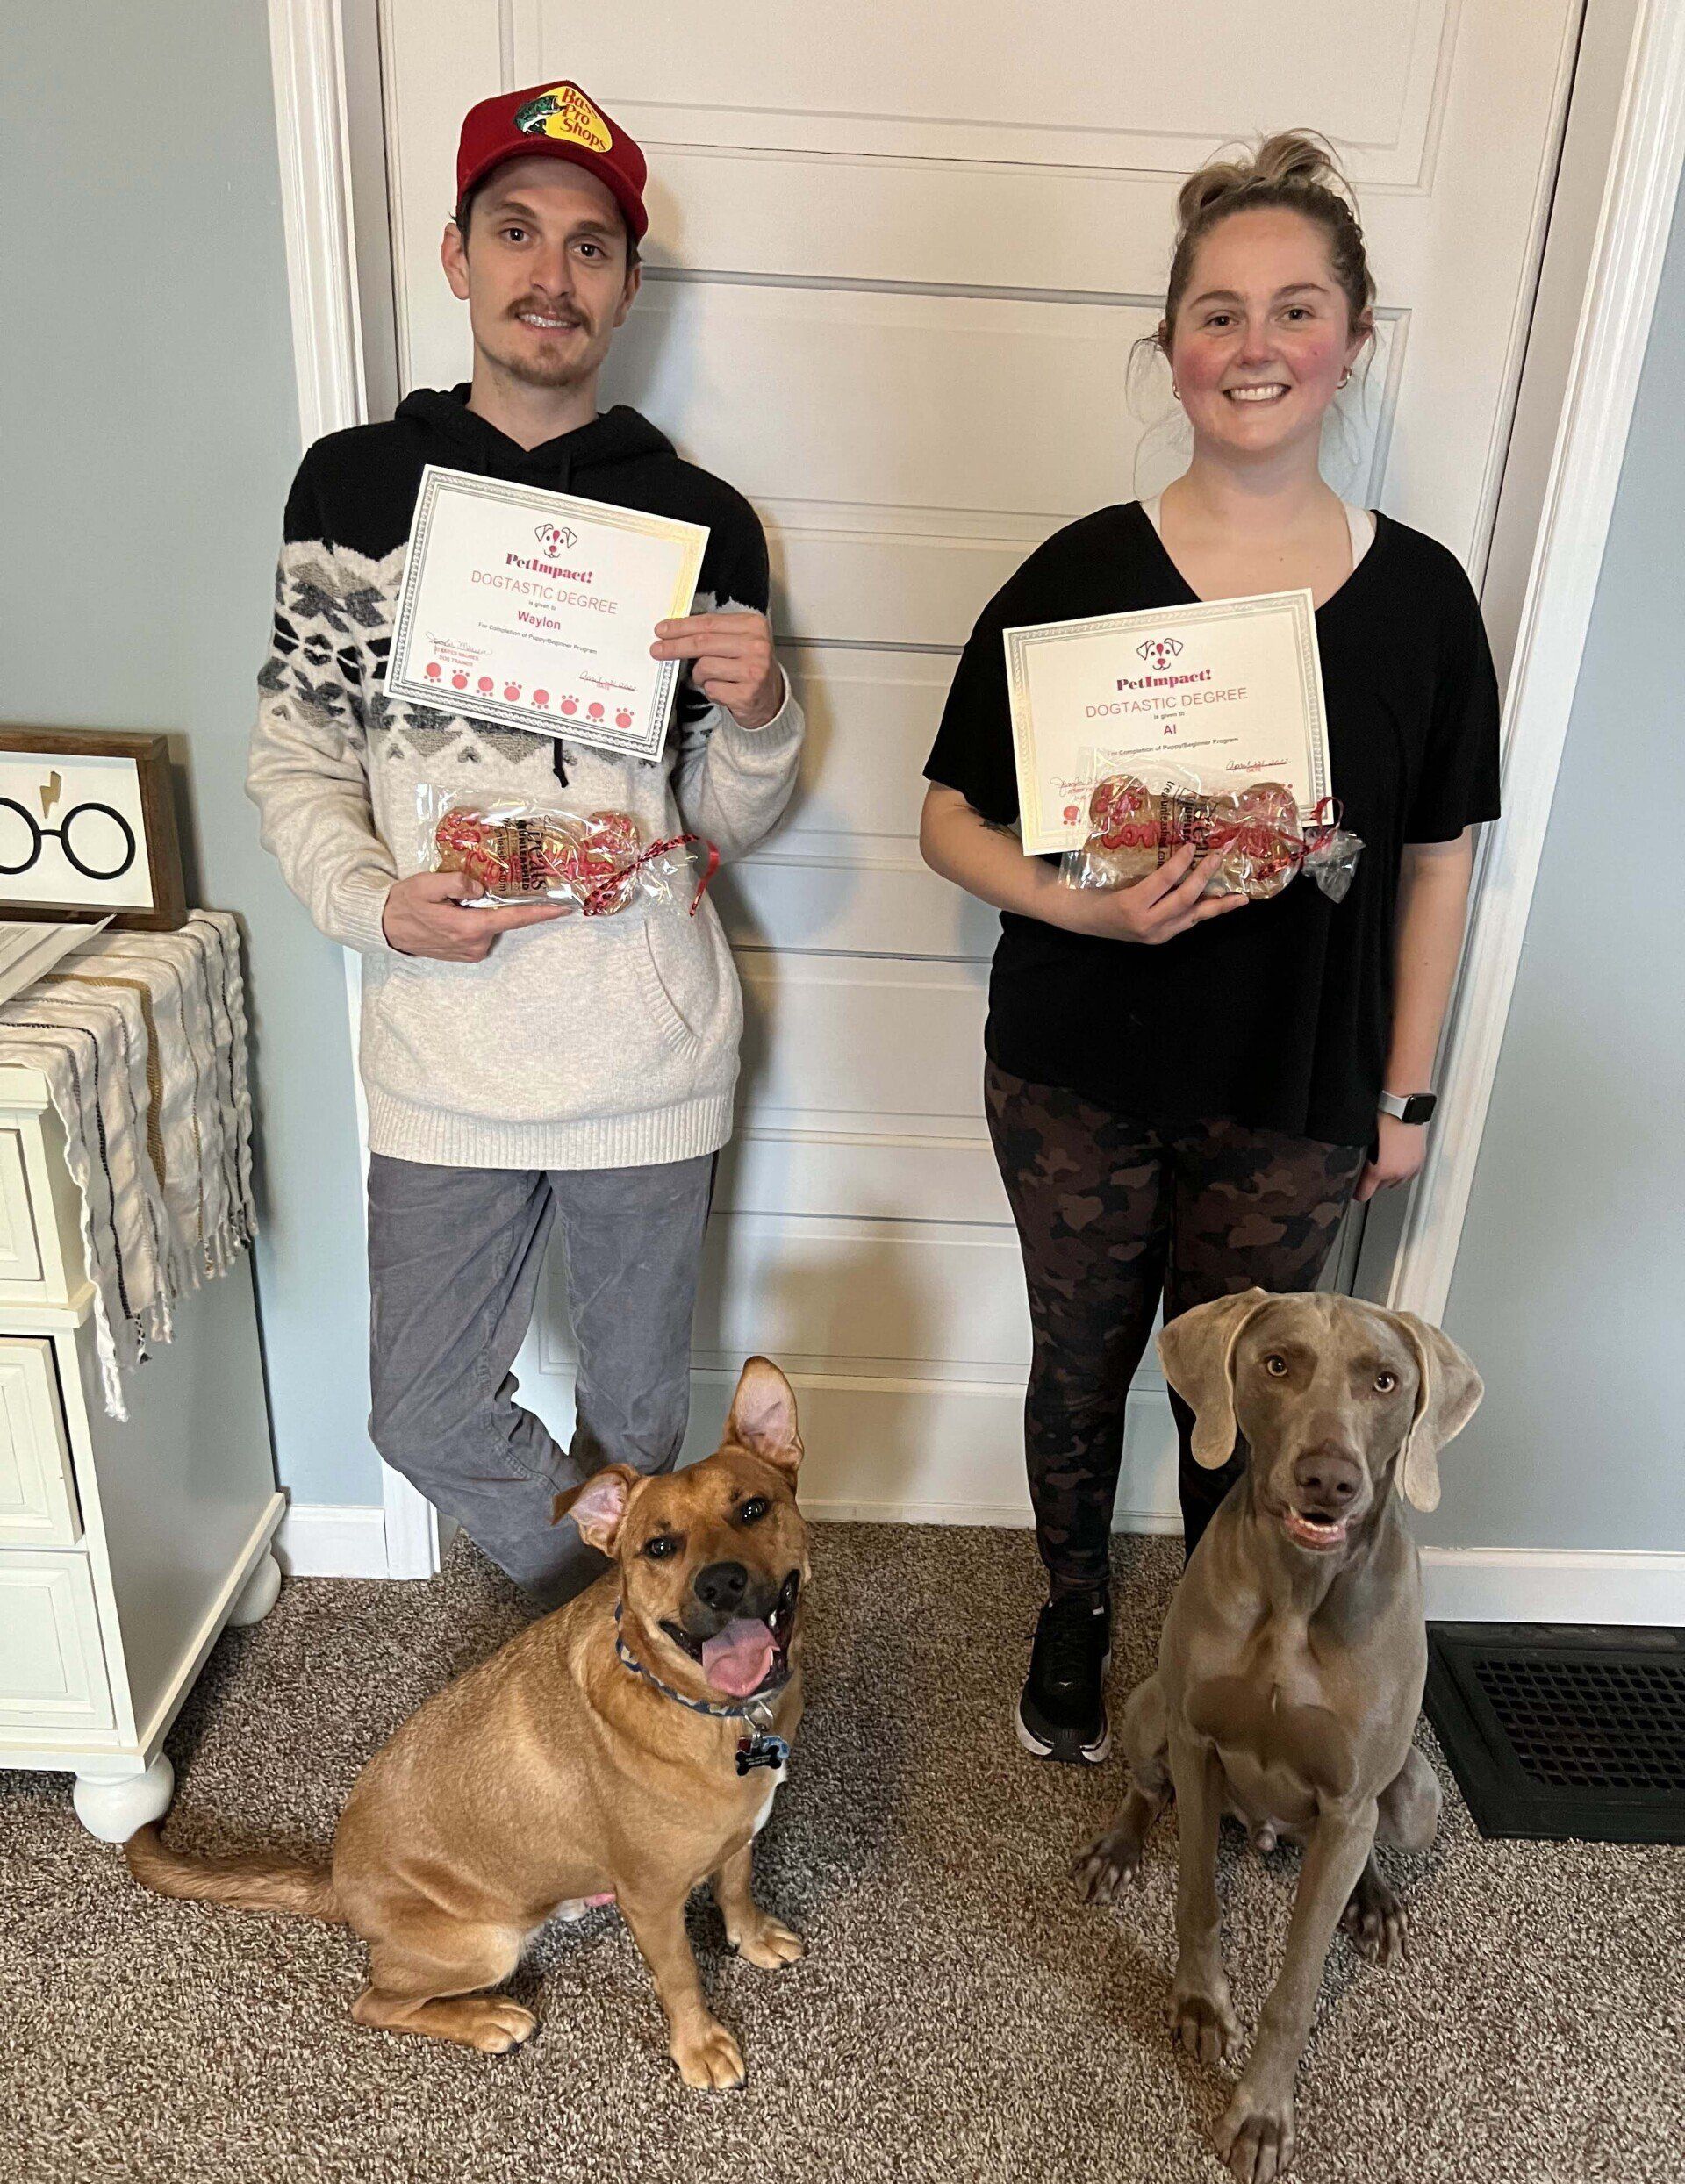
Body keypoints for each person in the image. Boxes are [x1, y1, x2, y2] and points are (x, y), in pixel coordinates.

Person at [919, 133, 1500, 1765]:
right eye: (1219, 312)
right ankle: (1074, 1609)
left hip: (1298, 1084)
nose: (1256, 347)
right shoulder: (1079, 575)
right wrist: (1081, 902)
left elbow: (1439, 865)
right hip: (1075, 1070)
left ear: (1352, 342)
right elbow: (949, 819)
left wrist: (1408, 1099)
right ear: (1171, 345)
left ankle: (1215, 1626)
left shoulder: (1425, 606)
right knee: (1083, 1358)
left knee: (1244, 1394)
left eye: (1295, 311)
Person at [249, 80, 804, 1607]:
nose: (550, 275)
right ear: (456, 257)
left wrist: (759, 718)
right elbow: (297, 752)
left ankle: (622, 1685)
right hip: (449, 1050)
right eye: (516, 233)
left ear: (627, 284)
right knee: (423, 1409)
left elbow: (712, 828)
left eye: (590, 246)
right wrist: (374, 904)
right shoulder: (353, 489)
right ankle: (602, 1622)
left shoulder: (701, 518)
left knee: (637, 1426)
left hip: (645, 1046)